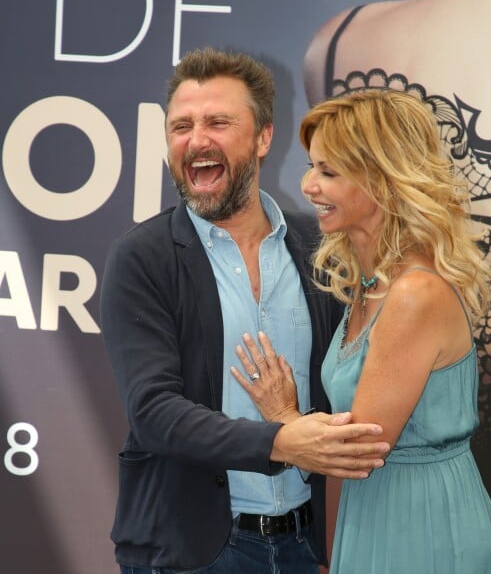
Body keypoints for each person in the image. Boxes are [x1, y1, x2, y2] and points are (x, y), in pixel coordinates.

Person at [100, 48, 391, 574]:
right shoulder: (142, 257)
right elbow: (153, 413)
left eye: (218, 122)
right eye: (181, 126)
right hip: (192, 550)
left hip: (308, 544)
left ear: (262, 138)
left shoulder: (321, 248)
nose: (196, 140)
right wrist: (283, 441)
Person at [232, 89, 491, 573]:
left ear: (384, 181)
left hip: (424, 528)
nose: (309, 185)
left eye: (329, 172)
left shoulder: (412, 294)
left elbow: (358, 449)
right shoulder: (370, 282)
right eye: (313, 166)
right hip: (373, 514)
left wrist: (282, 414)